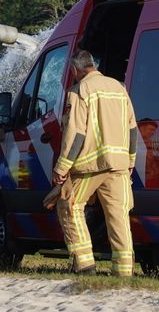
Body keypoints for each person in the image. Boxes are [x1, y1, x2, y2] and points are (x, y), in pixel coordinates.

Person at [52, 49, 139, 275]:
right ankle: (124, 271)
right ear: (94, 65)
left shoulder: (80, 91)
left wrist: (62, 168)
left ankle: (84, 264)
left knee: (69, 206)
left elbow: (76, 133)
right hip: (119, 164)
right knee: (119, 216)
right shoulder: (120, 88)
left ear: (74, 70)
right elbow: (132, 129)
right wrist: (130, 161)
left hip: (90, 164)